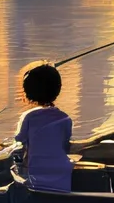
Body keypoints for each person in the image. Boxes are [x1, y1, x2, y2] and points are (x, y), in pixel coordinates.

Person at [12, 61, 74, 193]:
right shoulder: (65, 118)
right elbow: (64, 146)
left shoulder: (28, 117)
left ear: (28, 91)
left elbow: (19, 146)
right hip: (62, 175)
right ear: (57, 89)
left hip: (36, 177)